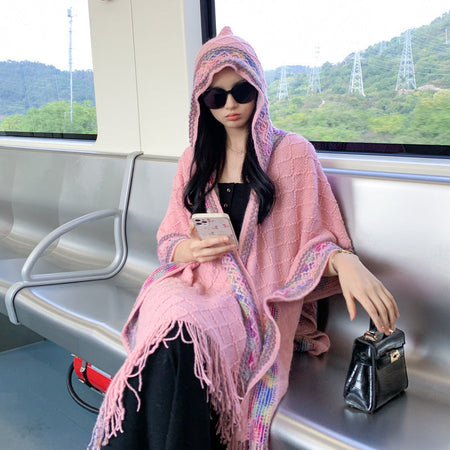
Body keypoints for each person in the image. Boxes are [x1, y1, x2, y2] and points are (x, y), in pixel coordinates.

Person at [89, 27, 399, 450]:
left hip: (253, 300)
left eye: (241, 91)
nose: (230, 105)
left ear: (259, 90)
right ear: (202, 102)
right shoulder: (193, 160)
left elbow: (316, 238)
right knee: (171, 334)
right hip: (192, 282)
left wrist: (346, 261)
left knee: (182, 344)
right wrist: (191, 247)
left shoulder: (293, 154)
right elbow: (169, 241)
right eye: (216, 97)